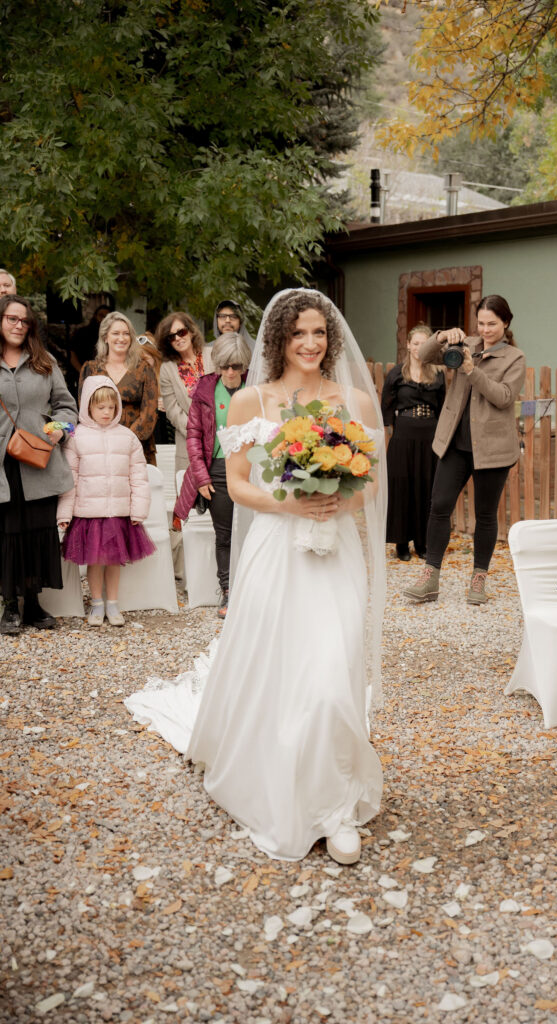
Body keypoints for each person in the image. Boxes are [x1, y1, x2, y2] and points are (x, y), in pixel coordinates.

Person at [126, 288, 387, 865]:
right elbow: (239, 482)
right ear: (279, 339)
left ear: (331, 337)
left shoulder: (353, 402)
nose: (311, 344)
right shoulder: (250, 402)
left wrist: (335, 501)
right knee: (280, 666)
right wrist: (291, 505)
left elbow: (368, 478)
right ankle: (283, 788)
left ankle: (336, 801)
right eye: (300, 334)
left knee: (332, 667)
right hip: (276, 545)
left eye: (319, 333)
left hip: (333, 548)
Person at [404, 295, 526, 605]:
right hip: (455, 443)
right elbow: (427, 356)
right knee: (439, 505)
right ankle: (430, 576)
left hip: (493, 448)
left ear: (506, 323)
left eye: (492, 324)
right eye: (481, 323)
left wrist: (473, 370)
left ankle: (478, 580)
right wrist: (443, 335)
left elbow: (503, 396)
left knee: (485, 515)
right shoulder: (465, 343)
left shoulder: (515, 357)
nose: (485, 330)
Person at [0, 295, 77, 634]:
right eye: (11, 319)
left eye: (24, 321)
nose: (18, 325)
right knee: (7, 535)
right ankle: (9, 607)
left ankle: (32, 603)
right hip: (2, 466)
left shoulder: (44, 362)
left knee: (35, 533)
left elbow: (67, 408)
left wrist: (59, 432)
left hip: (38, 460)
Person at [58, 377, 154, 628]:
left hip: (118, 513)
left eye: (111, 407)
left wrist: (139, 510)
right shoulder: (76, 437)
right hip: (89, 514)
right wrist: (64, 513)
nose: (106, 412)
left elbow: (139, 477)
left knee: (113, 560)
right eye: (100, 407)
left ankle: (113, 603)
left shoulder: (127, 437)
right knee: (95, 560)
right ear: (88, 406)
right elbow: (71, 479)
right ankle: (97, 603)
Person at [172, 331, 251, 618]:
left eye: (237, 367)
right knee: (225, 535)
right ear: (216, 365)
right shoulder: (205, 390)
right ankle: (228, 591)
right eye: (225, 366)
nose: (230, 373)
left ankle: (253, 590)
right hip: (217, 469)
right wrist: (202, 476)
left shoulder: (254, 388)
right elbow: (193, 434)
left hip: (250, 467)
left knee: (255, 532)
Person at [382, 322, 445, 560]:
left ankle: (422, 542)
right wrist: (391, 433)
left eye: (424, 343)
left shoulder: (438, 375)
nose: (419, 348)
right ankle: (401, 543)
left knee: (426, 486)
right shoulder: (396, 374)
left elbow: (443, 408)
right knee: (403, 487)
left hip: (429, 436)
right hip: (403, 437)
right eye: (415, 343)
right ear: (408, 345)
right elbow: (386, 406)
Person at [80, 312, 158, 465]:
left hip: (137, 445)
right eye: (115, 333)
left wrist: (125, 440)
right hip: (99, 447)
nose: (121, 338)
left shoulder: (144, 368)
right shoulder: (90, 369)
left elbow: (150, 412)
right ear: (105, 337)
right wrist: (107, 439)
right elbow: (84, 411)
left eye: (126, 334)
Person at [157, 312, 214, 476]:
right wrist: (198, 432)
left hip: (220, 439)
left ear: (191, 331)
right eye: (171, 337)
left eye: (181, 332)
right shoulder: (167, 369)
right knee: (190, 497)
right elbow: (173, 411)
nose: (178, 339)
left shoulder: (213, 355)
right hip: (189, 442)